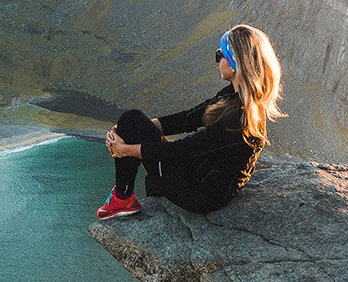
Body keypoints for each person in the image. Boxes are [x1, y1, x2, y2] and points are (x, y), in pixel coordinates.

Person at [98, 24, 284, 219]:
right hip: (198, 172)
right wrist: (134, 129)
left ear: (234, 63)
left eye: (220, 55)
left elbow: (181, 151)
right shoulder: (232, 96)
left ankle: (123, 198)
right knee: (132, 119)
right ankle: (123, 197)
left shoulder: (239, 119)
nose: (218, 60)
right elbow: (189, 118)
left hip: (201, 194)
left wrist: (125, 149)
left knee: (134, 124)